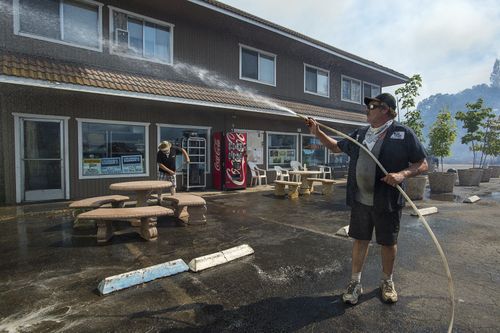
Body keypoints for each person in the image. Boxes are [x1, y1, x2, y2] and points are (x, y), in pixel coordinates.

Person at [306, 93, 428, 305]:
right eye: (369, 106)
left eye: (373, 105)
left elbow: (422, 164)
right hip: (361, 200)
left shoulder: (402, 133)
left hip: (387, 200)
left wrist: (402, 175)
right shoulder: (360, 134)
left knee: (388, 243)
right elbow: (336, 147)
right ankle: (355, 282)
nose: (367, 109)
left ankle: (387, 281)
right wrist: (318, 133)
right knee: (360, 240)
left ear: (386, 110)